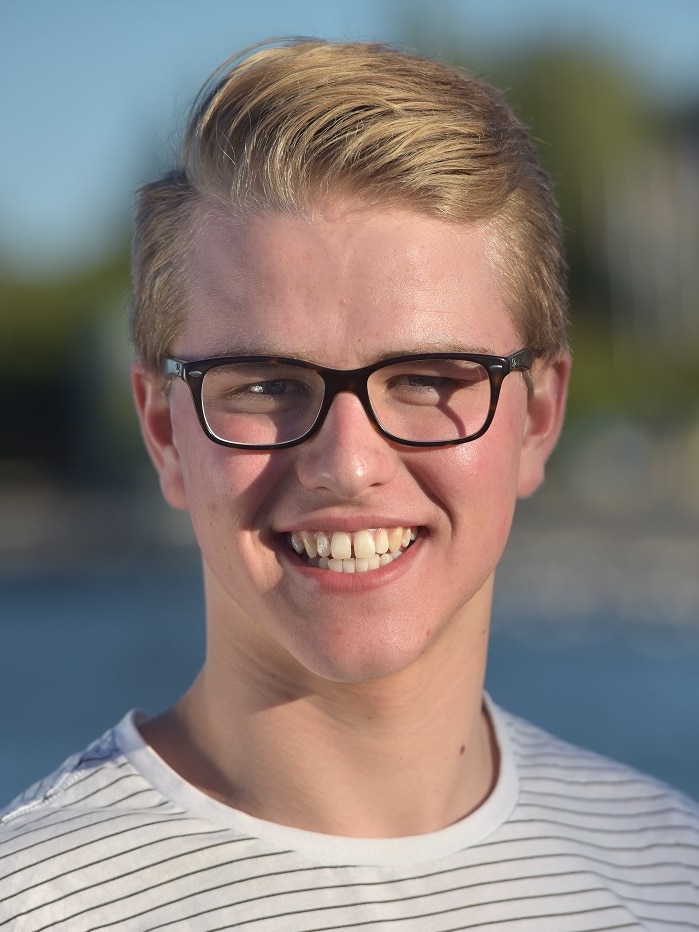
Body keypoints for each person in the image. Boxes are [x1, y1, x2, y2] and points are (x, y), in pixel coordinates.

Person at [1, 38, 697, 931]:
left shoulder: (669, 871)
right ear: (164, 430)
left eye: (428, 380)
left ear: (535, 417)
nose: (346, 462)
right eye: (263, 384)